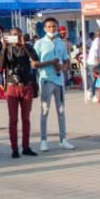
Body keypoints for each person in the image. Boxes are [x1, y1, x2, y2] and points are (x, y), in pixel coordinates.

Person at [34, 17, 74, 152]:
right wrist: (51, 62)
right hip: (46, 80)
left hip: (59, 80)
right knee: (45, 110)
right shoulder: (39, 43)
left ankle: (63, 139)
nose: (52, 29)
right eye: (49, 27)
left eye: (54, 27)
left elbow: (66, 59)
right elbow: (34, 64)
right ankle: (43, 140)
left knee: (61, 111)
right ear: (44, 28)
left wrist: (64, 67)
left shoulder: (60, 43)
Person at [0, 27, 39, 158]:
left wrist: (24, 45)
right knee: (13, 119)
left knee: (26, 118)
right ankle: (14, 148)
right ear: (9, 36)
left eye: (18, 35)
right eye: (13, 35)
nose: (15, 37)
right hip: (12, 85)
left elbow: (35, 58)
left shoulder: (27, 46)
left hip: (26, 84)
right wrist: (4, 48)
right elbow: (0, 67)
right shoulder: (8, 49)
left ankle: (26, 146)